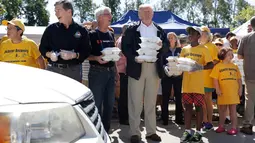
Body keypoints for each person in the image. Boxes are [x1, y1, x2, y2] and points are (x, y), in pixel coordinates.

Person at [121, 4, 168, 143]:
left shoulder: (159, 30)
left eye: (150, 11)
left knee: (151, 102)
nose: (147, 14)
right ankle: (134, 132)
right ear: (139, 15)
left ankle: (151, 131)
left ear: (153, 14)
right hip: (137, 67)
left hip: (154, 67)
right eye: (144, 12)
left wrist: (162, 46)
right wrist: (134, 58)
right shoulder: (131, 30)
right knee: (135, 101)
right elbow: (125, 47)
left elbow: (166, 47)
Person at [39, 0, 91, 82]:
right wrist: (50, 55)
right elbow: (42, 48)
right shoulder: (51, 29)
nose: (56, 13)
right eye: (55, 11)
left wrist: (74, 55)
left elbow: (87, 51)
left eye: (58, 10)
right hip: (53, 70)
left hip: (74, 71)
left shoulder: (81, 30)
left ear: (69, 12)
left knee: (73, 94)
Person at [180, 26, 214, 143]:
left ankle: (198, 132)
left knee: (199, 109)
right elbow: (180, 65)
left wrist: (200, 67)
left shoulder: (204, 49)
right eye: (189, 33)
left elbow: (211, 64)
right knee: (187, 108)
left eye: (193, 33)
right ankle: (188, 131)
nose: (190, 35)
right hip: (186, 85)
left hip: (199, 85)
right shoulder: (184, 49)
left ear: (198, 36)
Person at [87, 6, 118, 133]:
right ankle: (96, 131)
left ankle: (106, 130)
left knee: (110, 104)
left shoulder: (111, 34)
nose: (110, 17)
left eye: (110, 14)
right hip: (97, 72)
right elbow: (85, 55)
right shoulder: (91, 35)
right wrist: (96, 58)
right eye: (107, 14)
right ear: (99, 17)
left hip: (110, 72)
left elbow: (114, 55)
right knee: (97, 104)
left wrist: (116, 72)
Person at [210, 47, 242, 135]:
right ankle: (221, 126)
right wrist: (217, 89)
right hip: (222, 92)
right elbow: (215, 79)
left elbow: (239, 79)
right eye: (229, 55)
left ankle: (234, 127)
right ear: (223, 55)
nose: (231, 56)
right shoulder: (218, 66)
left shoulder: (235, 66)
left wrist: (240, 89)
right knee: (222, 110)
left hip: (233, 92)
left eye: (232, 54)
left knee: (233, 110)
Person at [161, 32, 183, 125]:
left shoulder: (180, 50)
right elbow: (160, 62)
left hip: (178, 76)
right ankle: (164, 119)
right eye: (169, 38)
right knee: (165, 97)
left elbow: (183, 61)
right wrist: (164, 68)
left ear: (175, 39)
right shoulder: (163, 49)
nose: (170, 39)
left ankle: (179, 119)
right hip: (167, 76)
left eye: (172, 37)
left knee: (178, 97)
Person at [238, 17, 255, 135]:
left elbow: (239, 56)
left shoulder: (245, 38)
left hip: (250, 73)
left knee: (250, 100)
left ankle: (247, 124)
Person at [200, 26, 219, 131]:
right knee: (201, 100)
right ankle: (204, 120)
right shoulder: (198, 46)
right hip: (198, 77)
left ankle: (209, 121)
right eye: (200, 33)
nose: (202, 35)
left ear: (208, 36)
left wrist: (208, 64)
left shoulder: (212, 46)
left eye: (204, 33)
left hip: (208, 77)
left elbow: (216, 60)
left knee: (208, 99)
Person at [116, 25, 129, 125]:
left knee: (124, 95)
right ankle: (123, 118)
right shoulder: (122, 40)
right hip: (123, 70)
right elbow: (124, 55)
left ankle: (123, 117)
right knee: (124, 96)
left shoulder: (119, 39)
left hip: (122, 70)